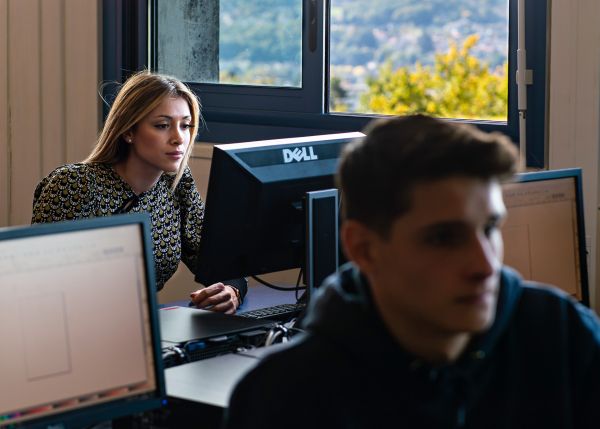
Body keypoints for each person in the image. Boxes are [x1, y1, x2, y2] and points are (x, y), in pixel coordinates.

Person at [224, 114, 600, 428]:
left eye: (489, 228)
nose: (486, 265)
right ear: (364, 248)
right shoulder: (286, 396)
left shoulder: (562, 334)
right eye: (443, 238)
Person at [31, 70, 245, 313]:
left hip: (146, 326)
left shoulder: (175, 182)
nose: (179, 138)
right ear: (128, 131)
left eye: (185, 125)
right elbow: (45, 287)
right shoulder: (73, 184)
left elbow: (220, 261)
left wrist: (231, 291)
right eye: (162, 125)